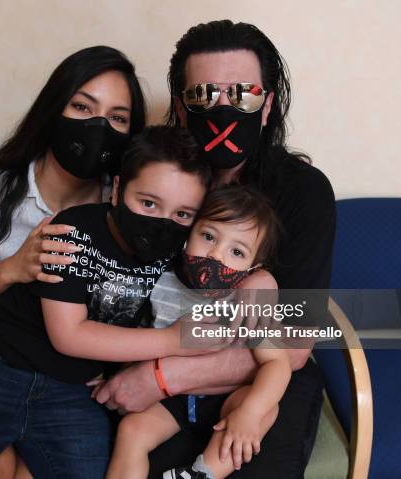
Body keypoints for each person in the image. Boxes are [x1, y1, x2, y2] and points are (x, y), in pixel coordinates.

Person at [0, 126, 212, 479]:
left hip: (72, 391)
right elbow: (69, 335)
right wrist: (174, 341)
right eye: (148, 203)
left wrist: (261, 283)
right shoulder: (72, 230)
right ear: (119, 190)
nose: (162, 224)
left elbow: (238, 268)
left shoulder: (179, 252)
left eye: (182, 215)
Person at [92, 20, 336, 478]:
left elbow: (296, 344)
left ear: (266, 106)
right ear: (182, 110)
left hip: (258, 378)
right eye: (204, 96)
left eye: (242, 94)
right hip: (153, 371)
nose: (223, 109)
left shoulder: (304, 191)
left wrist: (162, 376)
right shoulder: (161, 184)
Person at [0, 45, 146, 479]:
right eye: (82, 106)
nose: (98, 126)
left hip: (65, 371)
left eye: (117, 117)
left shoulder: (129, 210)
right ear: (53, 110)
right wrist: (10, 270)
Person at [106, 185, 289, 479]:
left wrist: (250, 412)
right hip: (172, 398)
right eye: (208, 236)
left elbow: (277, 363)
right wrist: (107, 369)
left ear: (254, 267)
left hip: (224, 397)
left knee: (265, 409)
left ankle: (201, 474)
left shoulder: (246, 303)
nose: (216, 255)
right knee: (131, 431)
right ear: (188, 234)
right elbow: (135, 333)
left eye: (236, 251)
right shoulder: (161, 279)